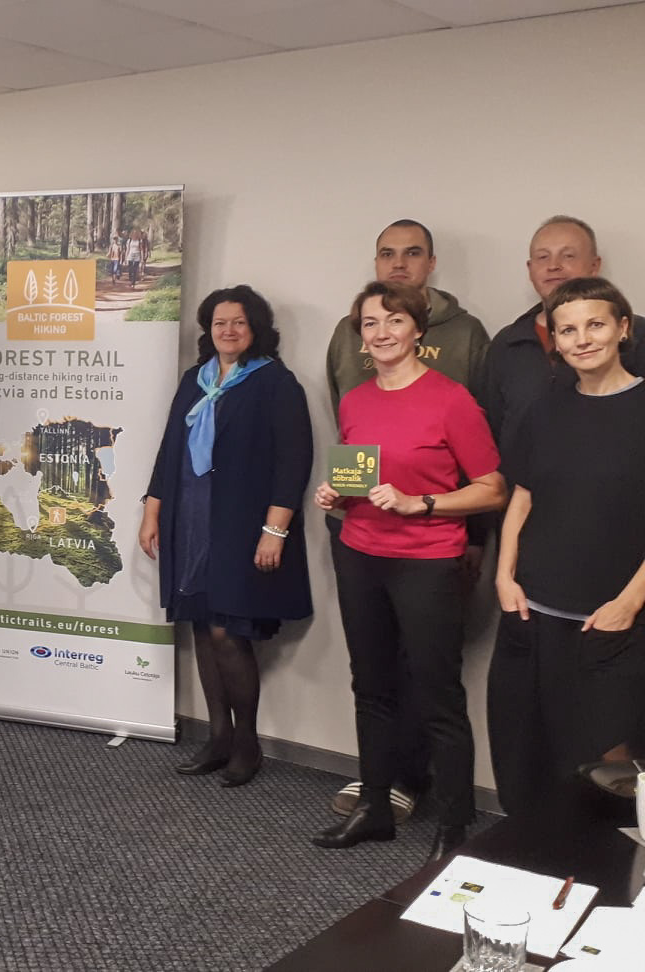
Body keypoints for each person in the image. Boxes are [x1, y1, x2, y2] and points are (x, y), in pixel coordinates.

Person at [489, 277, 645, 817]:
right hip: (535, 615)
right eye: (568, 330)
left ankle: (613, 867)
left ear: (623, 328)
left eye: (595, 324)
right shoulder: (543, 410)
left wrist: (628, 604)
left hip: (618, 622)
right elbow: (522, 496)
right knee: (530, 760)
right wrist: (504, 576)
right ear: (555, 340)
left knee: (617, 773)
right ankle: (536, 858)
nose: (582, 339)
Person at [312, 281, 505, 862]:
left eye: (394, 321)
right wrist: (336, 494)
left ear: (418, 329)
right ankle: (374, 807)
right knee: (371, 688)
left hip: (427, 562)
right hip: (360, 554)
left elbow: (492, 489)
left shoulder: (451, 400)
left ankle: (454, 825)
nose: (382, 333)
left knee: (436, 695)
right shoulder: (356, 400)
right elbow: (359, 478)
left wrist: (421, 503)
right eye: (371, 324)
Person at [141, 285, 314, 785]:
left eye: (238, 322)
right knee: (201, 626)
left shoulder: (276, 383)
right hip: (190, 519)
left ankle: (247, 742)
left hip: (241, 525)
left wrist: (274, 531)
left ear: (255, 328)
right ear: (209, 329)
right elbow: (169, 449)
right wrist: (152, 512)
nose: (229, 330)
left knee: (227, 631)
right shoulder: (194, 380)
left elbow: (294, 462)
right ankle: (218, 737)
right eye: (220, 323)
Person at [481, 215, 645, 443]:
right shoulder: (507, 342)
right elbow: (491, 427)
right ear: (530, 269)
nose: (553, 266)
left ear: (594, 265)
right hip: (525, 466)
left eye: (568, 256)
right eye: (543, 257)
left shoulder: (637, 333)